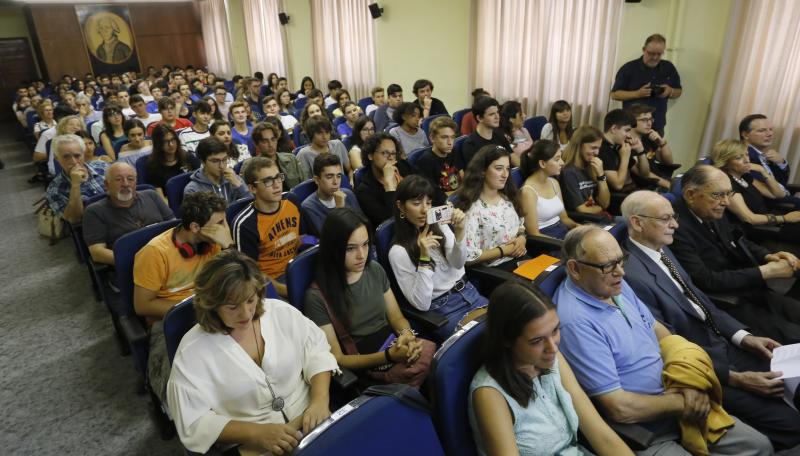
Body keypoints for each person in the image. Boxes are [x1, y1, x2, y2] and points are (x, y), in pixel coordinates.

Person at [555, 225, 772, 456]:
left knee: (759, 446)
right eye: (608, 266)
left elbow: (661, 334)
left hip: (679, 396)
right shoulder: (575, 322)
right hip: (648, 432)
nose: (621, 272)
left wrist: (686, 381)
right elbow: (619, 408)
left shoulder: (612, 284)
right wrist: (684, 402)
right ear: (575, 269)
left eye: (621, 261)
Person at [621, 190, 800, 450]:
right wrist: (737, 378)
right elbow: (670, 347)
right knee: (792, 425)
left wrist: (745, 337)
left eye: (674, 217)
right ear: (637, 223)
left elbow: (703, 302)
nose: (675, 225)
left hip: (725, 345)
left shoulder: (661, 249)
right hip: (706, 369)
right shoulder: (630, 277)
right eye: (666, 219)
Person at [167, 250, 338, 455]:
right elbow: (194, 421)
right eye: (232, 307)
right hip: (254, 445)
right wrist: (255, 433)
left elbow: (316, 351)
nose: (246, 313)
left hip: (312, 419)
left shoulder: (280, 312)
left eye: (250, 300)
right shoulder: (191, 352)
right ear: (212, 305)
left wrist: (320, 399)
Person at [469, 280, 634, 456]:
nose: (553, 348)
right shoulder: (490, 394)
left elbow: (601, 436)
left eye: (555, 331)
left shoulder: (551, 358)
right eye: (537, 341)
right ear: (506, 340)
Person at [303, 208, 436, 387]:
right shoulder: (317, 297)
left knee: (439, 368)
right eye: (351, 248)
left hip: (393, 344)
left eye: (365, 244)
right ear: (333, 249)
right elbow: (338, 358)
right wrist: (388, 356)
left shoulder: (374, 269)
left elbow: (397, 318)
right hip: (366, 360)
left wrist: (408, 337)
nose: (362, 255)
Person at [670, 165, 800, 344]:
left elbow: (739, 240)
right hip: (726, 302)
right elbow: (706, 281)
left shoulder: (712, 209)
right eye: (718, 195)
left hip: (748, 287)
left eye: (728, 194)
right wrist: (766, 272)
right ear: (691, 195)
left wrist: (768, 256)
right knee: (794, 337)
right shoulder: (674, 227)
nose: (726, 202)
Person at [134, 191, 233, 412]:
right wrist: (197, 309)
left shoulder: (215, 242)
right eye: (220, 223)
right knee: (181, 389)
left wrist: (228, 247)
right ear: (196, 228)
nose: (225, 228)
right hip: (168, 319)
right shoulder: (154, 253)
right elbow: (142, 306)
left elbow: (240, 279)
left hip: (212, 309)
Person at [389, 176, 487, 339]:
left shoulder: (439, 225)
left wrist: (460, 232)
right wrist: (424, 258)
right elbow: (421, 303)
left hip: (470, 292)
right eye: (416, 203)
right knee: (487, 336)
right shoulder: (398, 251)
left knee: (509, 323)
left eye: (428, 203)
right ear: (400, 206)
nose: (424, 210)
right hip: (444, 309)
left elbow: (458, 263)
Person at [709, 139, 800, 247]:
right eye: (739, 158)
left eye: (746, 155)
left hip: (772, 220)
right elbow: (749, 218)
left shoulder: (744, 176)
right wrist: (785, 218)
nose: (747, 160)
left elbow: (778, 194)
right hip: (758, 230)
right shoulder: (727, 184)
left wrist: (762, 171)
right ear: (725, 162)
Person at [233, 157, 300, 298]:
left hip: (297, 267)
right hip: (271, 283)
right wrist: (287, 291)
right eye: (268, 181)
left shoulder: (291, 201)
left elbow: (305, 237)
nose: (277, 185)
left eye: (278, 178)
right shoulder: (245, 224)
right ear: (252, 188)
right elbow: (250, 274)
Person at [83, 162, 173, 265]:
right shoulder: (94, 211)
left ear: (135, 182)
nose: (125, 184)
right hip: (132, 266)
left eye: (130, 179)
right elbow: (97, 253)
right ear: (107, 185)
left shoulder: (152, 196)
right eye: (118, 179)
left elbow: (174, 226)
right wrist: (136, 262)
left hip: (168, 255)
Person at [454, 145, 526, 272]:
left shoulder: (508, 197)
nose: (505, 175)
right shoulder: (472, 209)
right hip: (497, 270)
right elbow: (468, 257)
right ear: (482, 171)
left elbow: (520, 226)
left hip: (522, 259)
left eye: (508, 169)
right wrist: (503, 251)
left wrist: (521, 238)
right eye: (499, 168)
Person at [611, 34, 682, 135]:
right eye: (651, 53)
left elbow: (678, 91)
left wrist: (670, 91)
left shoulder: (668, 68)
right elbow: (614, 94)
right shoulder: (629, 68)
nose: (655, 57)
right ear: (644, 49)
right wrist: (637, 94)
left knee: (655, 151)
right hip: (631, 126)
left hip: (656, 125)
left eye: (659, 54)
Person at [355, 133, 414, 229]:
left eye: (393, 153)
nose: (390, 158)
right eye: (385, 153)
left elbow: (424, 188)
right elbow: (391, 224)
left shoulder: (403, 167)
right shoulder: (364, 191)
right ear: (370, 155)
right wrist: (389, 185)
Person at [519, 140, 577, 239]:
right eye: (557, 159)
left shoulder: (554, 183)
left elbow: (564, 218)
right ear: (542, 163)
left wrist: (581, 228)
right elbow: (534, 233)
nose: (562, 163)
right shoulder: (528, 192)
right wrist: (561, 244)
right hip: (546, 240)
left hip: (562, 231)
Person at [740, 114, 797, 200]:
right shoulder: (743, 156)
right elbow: (767, 189)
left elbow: (783, 182)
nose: (769, 134)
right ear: (745, 135)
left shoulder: (765, 155)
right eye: (762, 130)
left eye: (771, 129)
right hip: (769, 202)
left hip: (784, 197)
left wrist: (781, 163)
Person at [301, 154, 361, 236]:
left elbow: (362, 226)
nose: (336, 182)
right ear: (317, 180)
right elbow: (329, 240)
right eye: (329, 177)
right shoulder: (309, 208)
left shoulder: (348, 194)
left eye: (338, 176)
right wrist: (340, 209)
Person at [560, 126, 612, 217]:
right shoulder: (569, 172)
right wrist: (600, 208)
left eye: (598, 148)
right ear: (579, 145)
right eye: (593, 148)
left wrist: (601, 176)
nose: (597, 153)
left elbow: (605, 203)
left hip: (598, 217)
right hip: (584, 220)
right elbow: (582, 210)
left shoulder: (592, 166)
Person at [599, 109, 651, 196]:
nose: (629, 135)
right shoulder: (602, 149)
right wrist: (625, 157)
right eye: (627, 130)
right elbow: (618, 185)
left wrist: (640, 151)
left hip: (633, 192)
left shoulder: (619, 146)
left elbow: (644, 174)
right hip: (619, 197)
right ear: (614, 129)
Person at [184, 137, 249, 204]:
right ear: (203, 162)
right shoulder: (193, 190)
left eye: (224, 159)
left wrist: (239, 186)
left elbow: (251, 204)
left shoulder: (234, 179)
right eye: (215, 161)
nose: (221, 166)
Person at [414, 116, 461, 206]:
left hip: (458, 198)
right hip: (442, 205)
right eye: (444, 137)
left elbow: (462, 176)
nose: (450, 142)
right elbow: (435, 195)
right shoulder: (425, 161)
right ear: (432, 138)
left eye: (452, 137)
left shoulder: (453, 151)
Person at [144, 124, 201, 198]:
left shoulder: (188, 157)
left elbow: (200, 179)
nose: (171, 144)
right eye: (165, 141)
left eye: (173, 140)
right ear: (158, 144)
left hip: (193, 197)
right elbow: (159, 195)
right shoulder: (153, 165)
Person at [458, 97, 511, 168]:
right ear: (479, 118)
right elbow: (476, 173)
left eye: (497, 112)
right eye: (492, 114)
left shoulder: (499, 134)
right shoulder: (470, 144)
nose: (497, 117)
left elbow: (512, 156)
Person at [251, 122, 306, 190]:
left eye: (273, 139)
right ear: (256, 144)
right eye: (265, 141)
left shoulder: (291, 159)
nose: (270, 144)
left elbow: (304, 185)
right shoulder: (251, 168)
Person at [499, 100, 533, 167]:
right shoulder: (504, 136)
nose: (524, 115)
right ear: (511, 118)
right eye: (521, 114)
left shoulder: (524, 130)